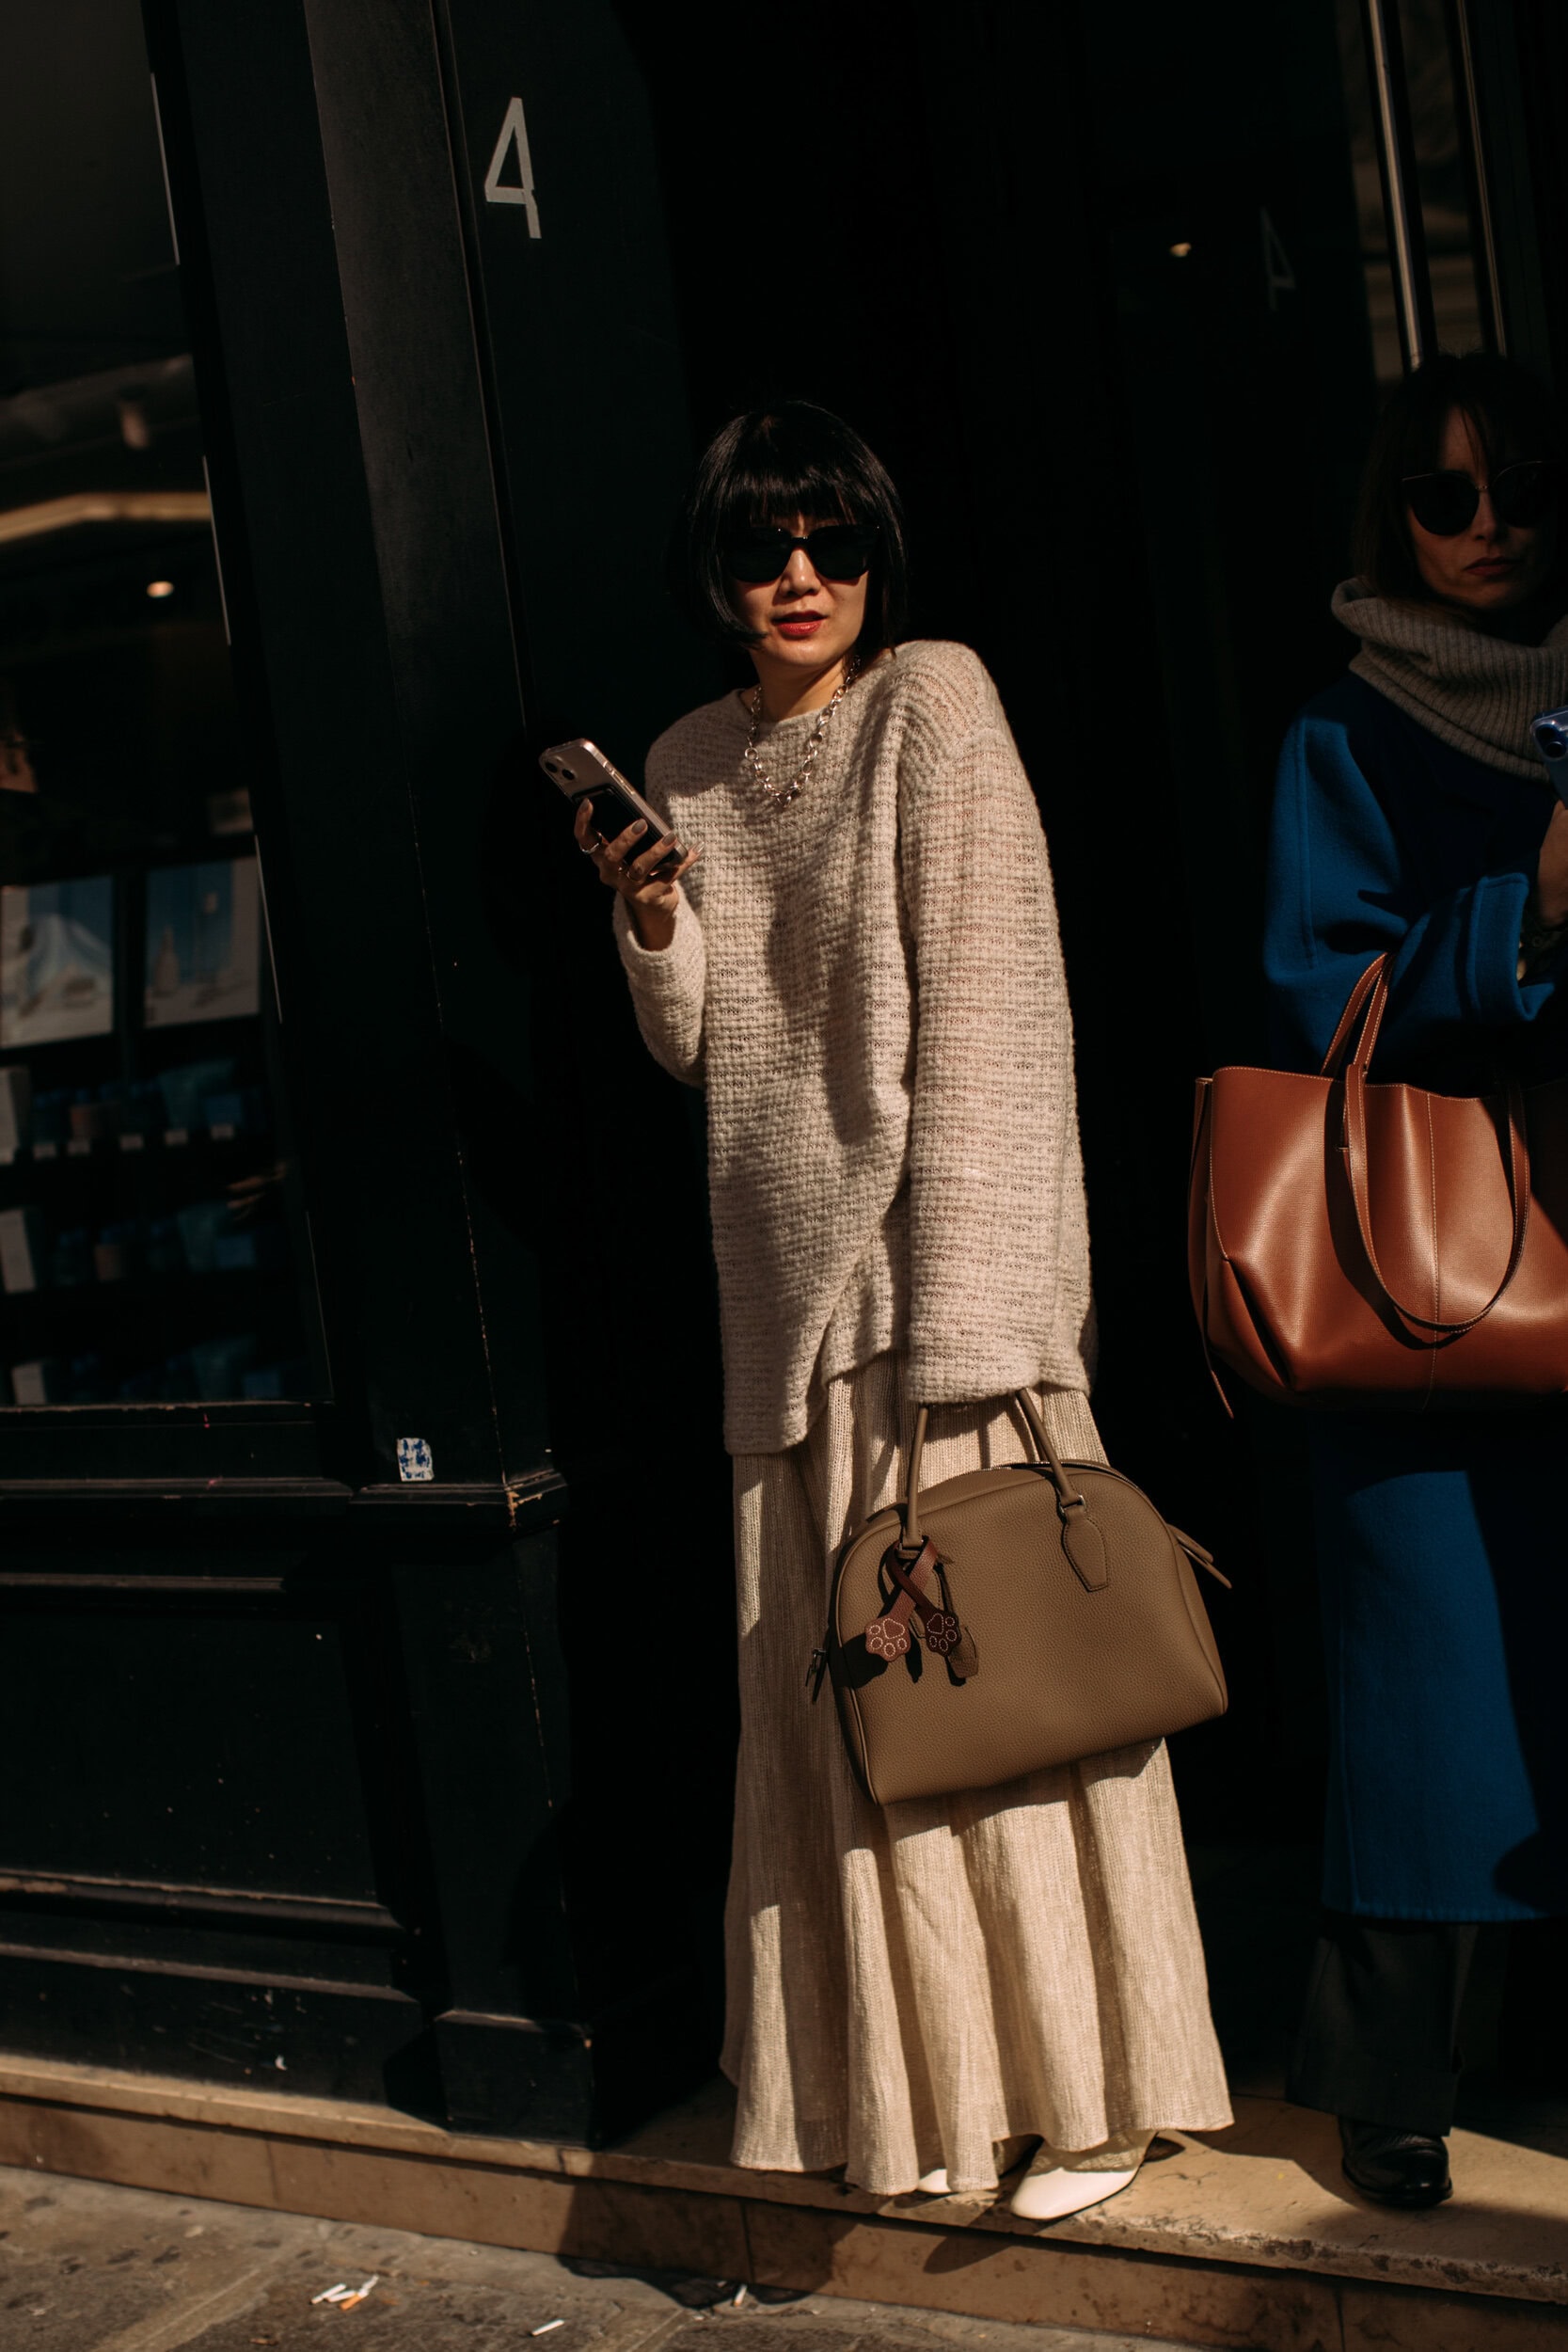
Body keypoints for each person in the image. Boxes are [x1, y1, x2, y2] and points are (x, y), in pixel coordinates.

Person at [572, 400, 1229, 2217]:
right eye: (765, 548)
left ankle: (1092, 2105)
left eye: (833, 543)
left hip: (940, 1295)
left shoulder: (931, 700)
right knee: (869, 1731)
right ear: (717, 570)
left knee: (1006, 1698)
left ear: (876, 559)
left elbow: (1007, 1014)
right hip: (780, 1305)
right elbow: (701, 1045)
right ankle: (938, 2103)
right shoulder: (688, 756)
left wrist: (984, 1327)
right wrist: (650, 920)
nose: (800, 577)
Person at [1264, 351, 1568, 2210]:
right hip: (1433, 1268)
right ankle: (1390, 2074)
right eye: (1442, 498)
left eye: (1514, 491)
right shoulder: (1345, 732)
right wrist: (1524, 908)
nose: (1483, 530)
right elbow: (1316, 994)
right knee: (1431, 1674)